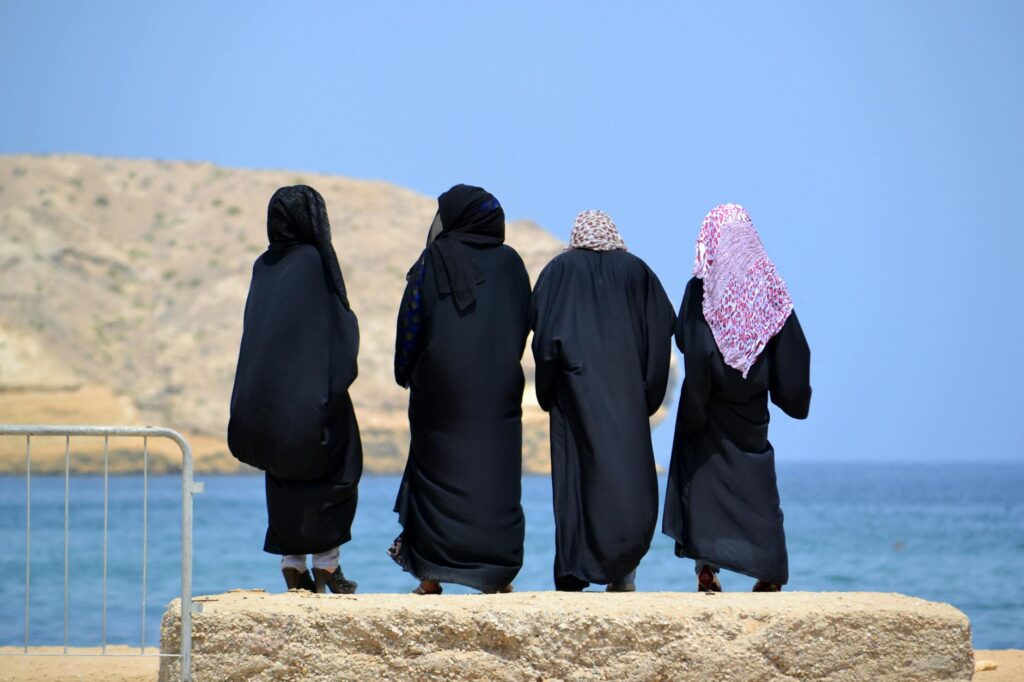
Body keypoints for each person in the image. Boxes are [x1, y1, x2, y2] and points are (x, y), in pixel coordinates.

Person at [662, 203, 811, 593]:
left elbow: (687, 339)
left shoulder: (701, 288)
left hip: (709, 403)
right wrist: (788, 392)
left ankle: (707, 570)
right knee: (758, 487)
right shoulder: (771, 288)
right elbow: (794, 348)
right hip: (752, 407)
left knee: (705, 484)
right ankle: (770, 573)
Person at [389, 184, 530, 595]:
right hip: (498, 390)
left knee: (437, 474)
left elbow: (410, 323)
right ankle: (496, 574)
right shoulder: (512, 263)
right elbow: (523, 321)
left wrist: (407, 370)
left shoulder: (433, 260)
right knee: (495, 477)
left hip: (441, 392)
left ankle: (432, 576)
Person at [227, 185, 362, 594]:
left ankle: (292, 564)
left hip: (267, 407)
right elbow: (339, 331)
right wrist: (335, 385)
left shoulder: (263, 266)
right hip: (309, 401)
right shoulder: (313, 263)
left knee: (284, 479)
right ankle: (326, 564)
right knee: (340, 465)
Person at [530, 210, 675, 592]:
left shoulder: (557, 271)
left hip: (573, 396)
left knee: (578, 482)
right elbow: (662, 334)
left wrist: (547, 392)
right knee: (625, 481)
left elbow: (544, 340)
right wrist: (649, 395)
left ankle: (574, 570)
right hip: (627, 398)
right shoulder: (638, 271)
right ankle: (623, 571)